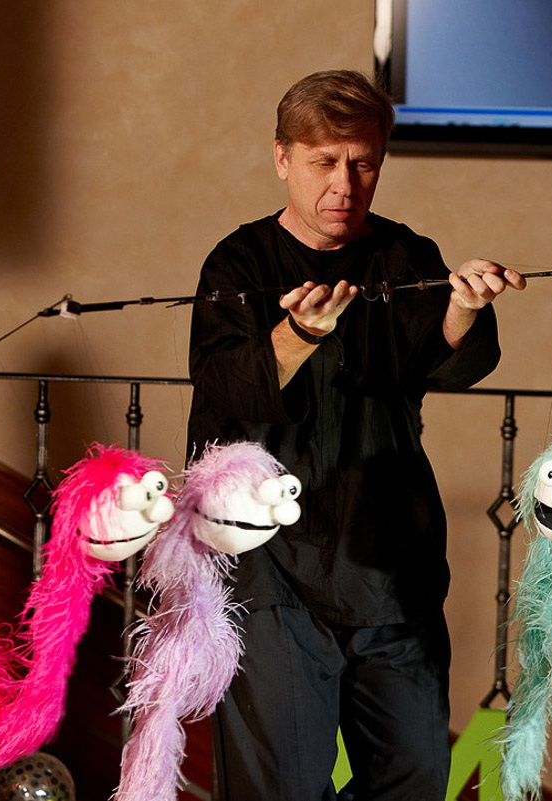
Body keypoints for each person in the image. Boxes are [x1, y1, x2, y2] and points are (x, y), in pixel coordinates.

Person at [186, 70, 524, 801]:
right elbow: (226, 385)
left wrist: (463, 308)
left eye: (364, 163)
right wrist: (300, 333)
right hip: (269, 569)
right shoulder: (238, 262)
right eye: (325, 162)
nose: (345, 184)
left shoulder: (407, 256)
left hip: (390, 562)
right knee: (280, 787)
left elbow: (445, 363)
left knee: (414, 776)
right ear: (283, 158)